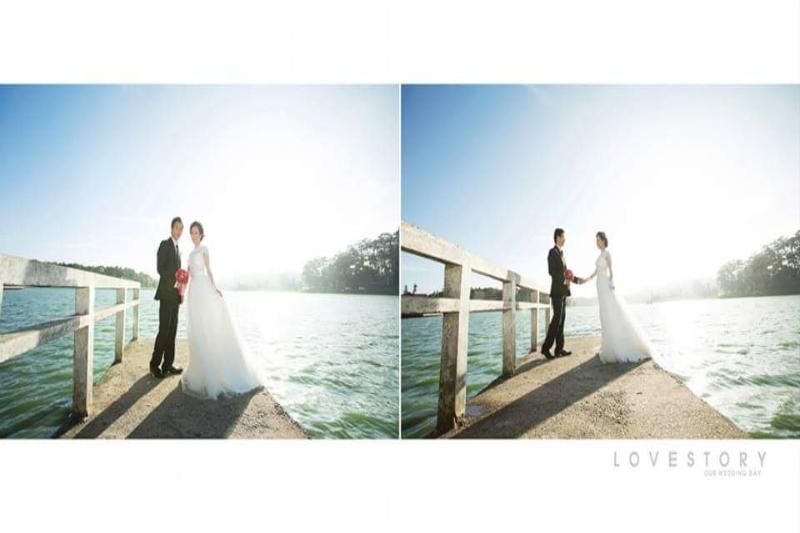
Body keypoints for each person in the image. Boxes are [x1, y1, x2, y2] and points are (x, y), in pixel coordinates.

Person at [180, 221, 264, 398]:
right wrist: (181, 286)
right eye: (192, 233)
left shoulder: (204, 250)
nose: (194, 235)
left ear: (201, 234)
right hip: (193, 290)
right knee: (196, 328)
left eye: (196, 232)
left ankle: (215, 373)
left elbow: (209, 270)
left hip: (203, 287)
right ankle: (199, 370)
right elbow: (188, 274)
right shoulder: (190, 253)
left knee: (207, 325)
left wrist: (214, 287)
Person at [579, 231, 652, 363]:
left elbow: (611, 271)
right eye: (596, 240)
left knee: (612, 311)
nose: (597, 242)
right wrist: (586, 279)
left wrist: (611, 284)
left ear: (603, 240)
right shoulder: (600, 255)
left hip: (605, 285)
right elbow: (596, 272)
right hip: (599, 285)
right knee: (604, 313)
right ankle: (608, 346)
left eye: (598, 240)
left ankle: (619, 345)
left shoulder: (607, 253)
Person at [150, 217, 184, 378]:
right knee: (164, 331)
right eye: (176, 227)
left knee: (173, 332)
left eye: (181, 229)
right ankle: (154, 364)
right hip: (165, 294)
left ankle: (168, 364)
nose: (178, 231)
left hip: (176, 296)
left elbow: (180, 275)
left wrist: (181, 290)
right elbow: (160, 269)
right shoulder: (165, 245)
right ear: (171, 229)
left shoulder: (179, 249)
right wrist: (175, 279)